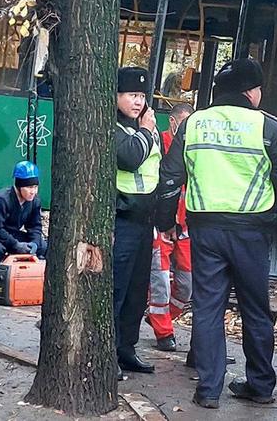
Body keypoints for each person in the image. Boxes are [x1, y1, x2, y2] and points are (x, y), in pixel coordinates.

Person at [157, 58, 277, 409]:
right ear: (251, 91)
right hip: (251, 229)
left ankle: (208, 389)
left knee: (208, 307)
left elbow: (170, 176)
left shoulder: (193, 124)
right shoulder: (266, 127)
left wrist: (164, 221)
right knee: (255, 308)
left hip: (205, 228)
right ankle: (261, 385)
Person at [113, 67, 161, 377]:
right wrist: (145, 131)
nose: (137, 102)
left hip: (145, 220)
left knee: (136, 289)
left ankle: (127, 348)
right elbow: (128, 159)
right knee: (116, 288)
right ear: (116, 95)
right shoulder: (114, 126)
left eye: (142, 96)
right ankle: (109, 349)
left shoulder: (143, 126)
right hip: (122, 217)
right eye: (132, 95)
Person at [147, 103, 194, 352]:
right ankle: (163, 330)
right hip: (161, 225)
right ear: (174, 123)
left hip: (184, 226)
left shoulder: (193, 148)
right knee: (161, 279)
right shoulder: (158, 145)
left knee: (187, 284)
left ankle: (160, 315)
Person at [0, 161, 47, 294]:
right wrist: (16, 245)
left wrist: (34, 243)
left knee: (43, 246)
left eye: (35, 187)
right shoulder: (2, 199)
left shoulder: (34, 201)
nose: (33, 192)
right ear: (19, 186)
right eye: (29, 187)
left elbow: (35, 226)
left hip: (9, 232)